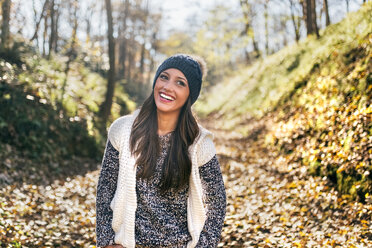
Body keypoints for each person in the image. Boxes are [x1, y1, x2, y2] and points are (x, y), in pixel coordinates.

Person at [96, 54, 226, 248]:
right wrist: (106, 242)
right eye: (164, 77)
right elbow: (105, 190)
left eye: (180, 83)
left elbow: (217, 202)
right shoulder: (122, 130)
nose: (168, 87)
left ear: (190, 95)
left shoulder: (199, 143)